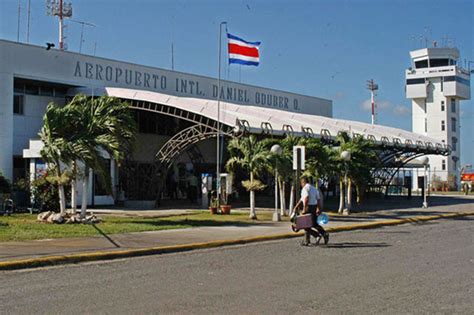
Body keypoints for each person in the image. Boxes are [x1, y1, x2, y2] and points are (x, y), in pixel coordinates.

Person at [292, 176, 329, 246]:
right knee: (314, 224)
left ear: (303, 182)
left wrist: (304, 209)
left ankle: (316, 236)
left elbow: (306, 198)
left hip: (308, 208)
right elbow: (317, 199)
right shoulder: (314, 189)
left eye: (301, 183)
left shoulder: (305, 188)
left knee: (305, 225)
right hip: (314, 207)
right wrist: (319, 208)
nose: (301, 184)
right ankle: (324, 234)